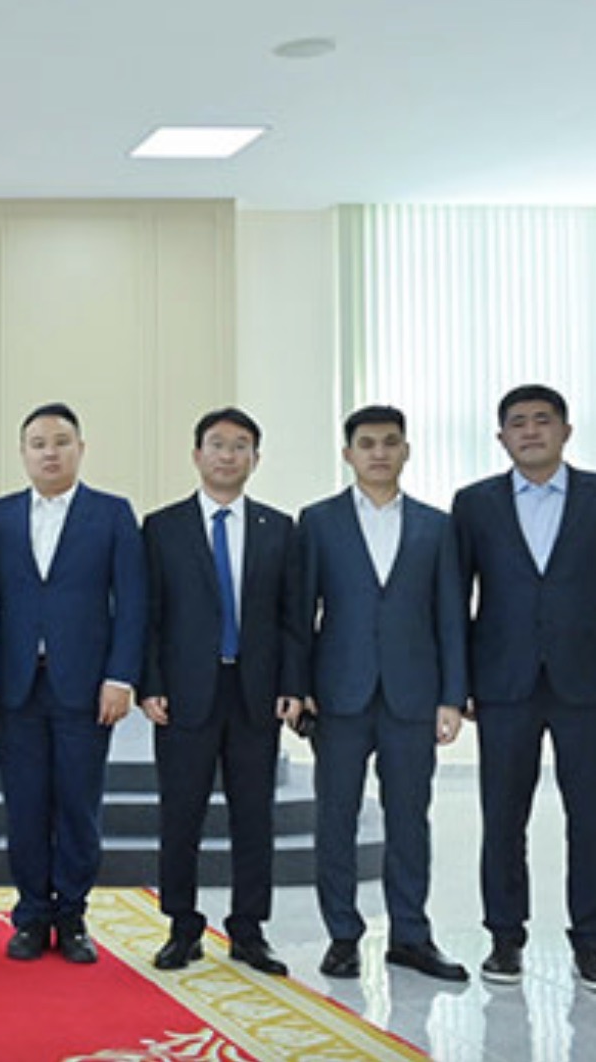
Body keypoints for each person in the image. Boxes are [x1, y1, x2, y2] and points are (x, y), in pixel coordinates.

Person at [296, 405, 469, 982]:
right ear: (348, 453)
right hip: (338, 696)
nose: (378, 452)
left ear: (406, 451)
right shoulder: (318, 521)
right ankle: (343, 936)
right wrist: (299, 689)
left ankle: (411, 936)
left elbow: (451, 616)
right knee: (336, 819)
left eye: (390, 442)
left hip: (413, 697)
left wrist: (452, 697)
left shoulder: (436, 526)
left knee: (410, 820)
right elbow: (300, 615)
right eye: (366, 443)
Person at [140, 408, 302, 976]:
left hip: (255, 693)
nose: (228, 455)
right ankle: (182, 928)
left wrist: (293, 684)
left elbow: (293, 617)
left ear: (255, 458)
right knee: (180, 815)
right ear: (197, 455)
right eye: (217, 444)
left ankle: (249, 930)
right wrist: (151, 684)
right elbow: (149, 615)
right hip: (184, 694)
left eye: (240, 446)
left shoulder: (278, 528)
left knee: (254, 817)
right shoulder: (162, 527)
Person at [0, 403, 144, 964]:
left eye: (60, 441)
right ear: (23, 453)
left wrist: (120, 677)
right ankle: (31, 915)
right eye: (38, 443)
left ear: (80, 448)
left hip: (86, 687)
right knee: (25, 807)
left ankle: (72, 915)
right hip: (17, 688)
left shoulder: (112, 513)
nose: (49, 452)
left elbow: (133, 603)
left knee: (78, 805)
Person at [452, 384, 596, 989]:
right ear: (501, 437)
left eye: (543, 420)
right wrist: (457, 682)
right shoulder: (474, 504)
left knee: (590, 816)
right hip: (503, 682)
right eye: (518, 423)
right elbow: (455, 597)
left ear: (566, 431)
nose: (531, 431)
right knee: (503, 814)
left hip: (585, 683)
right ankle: (505, 938)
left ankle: (590, 940)